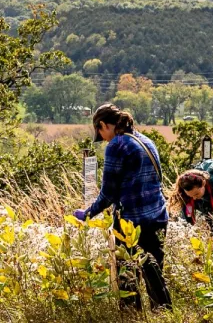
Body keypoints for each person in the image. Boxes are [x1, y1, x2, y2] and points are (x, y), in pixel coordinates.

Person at [74, 103, 172, 310]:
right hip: (158, 216)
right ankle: (163, 313)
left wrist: (88, 213)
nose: (104, 139)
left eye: (101, 133)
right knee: (154, 273)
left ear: (103, 125)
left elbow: (108, 193)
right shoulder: (146, 140)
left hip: (132, 221)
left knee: (127, 273)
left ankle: (131, 315)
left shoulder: (117, 146)